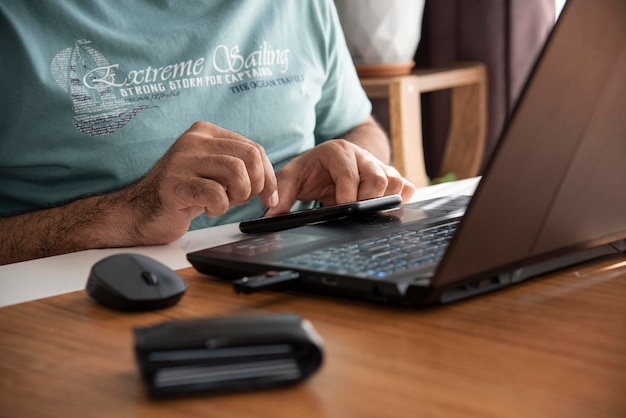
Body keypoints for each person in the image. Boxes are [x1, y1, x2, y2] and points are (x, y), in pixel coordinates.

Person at [0, 0, 416, 266]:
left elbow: (356, 125)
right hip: (90, 297)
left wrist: (357, 163)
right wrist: (126, 214)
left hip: (317, 266)